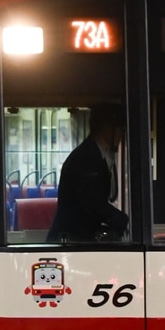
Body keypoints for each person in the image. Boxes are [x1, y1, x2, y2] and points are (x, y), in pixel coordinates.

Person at [47, 104, 129, 242]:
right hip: (71, 240)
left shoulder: (96, 155)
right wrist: (125, 222)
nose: (121, 135)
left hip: (78, 238)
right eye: (121, 129)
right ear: (107, 129)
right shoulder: (86, 159)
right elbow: (94, 205)